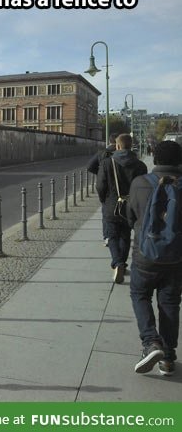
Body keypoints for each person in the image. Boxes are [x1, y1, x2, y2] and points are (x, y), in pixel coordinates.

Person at [127, 140, 182, 375]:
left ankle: (151, 342)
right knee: (169, 303)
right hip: (176, 257)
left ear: (155, 159)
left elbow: (130, 217)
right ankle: (168, 358)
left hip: (145, 254)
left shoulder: (139, 183)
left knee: (140, 294)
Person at [96, 133, 147, 284]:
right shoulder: (140, 165)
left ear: (117, 146)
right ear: (130, 146)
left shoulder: (106, 163)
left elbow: (100, 186)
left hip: (111, 204)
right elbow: (142, 188)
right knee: (125, 235)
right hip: (130, 206)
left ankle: (117, 263)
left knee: (112, 236)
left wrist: (104, 200)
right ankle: (122, 265)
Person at [87, 133, 118, 246]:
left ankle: (107, 236)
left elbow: (90, 166)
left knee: (106, 212)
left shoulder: (102, 153)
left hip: (107, 185)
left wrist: (100, 174)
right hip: (122, 186)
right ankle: (120, 235)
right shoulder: (123, 152)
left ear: (109, 141)